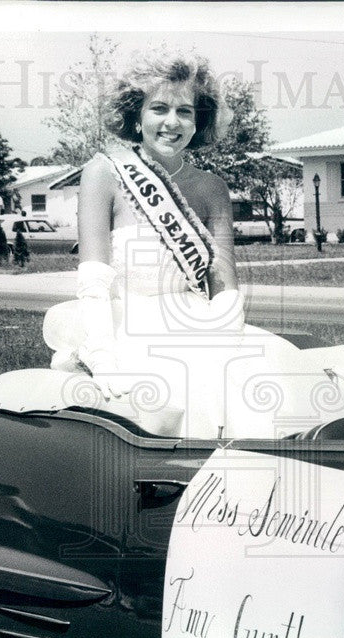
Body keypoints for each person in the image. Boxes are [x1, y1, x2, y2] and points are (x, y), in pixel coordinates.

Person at [42, 52, 311, 438]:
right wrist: (104, 359)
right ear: (136, 115)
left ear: (198, 121)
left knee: (255, 380)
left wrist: (226, 345)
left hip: (197, 324)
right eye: (159, 108)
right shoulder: (104, 172)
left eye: (185, 111)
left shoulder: (211, 187)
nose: (172, 122)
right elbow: (94, 280)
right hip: (123, 327)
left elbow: (224, 285)